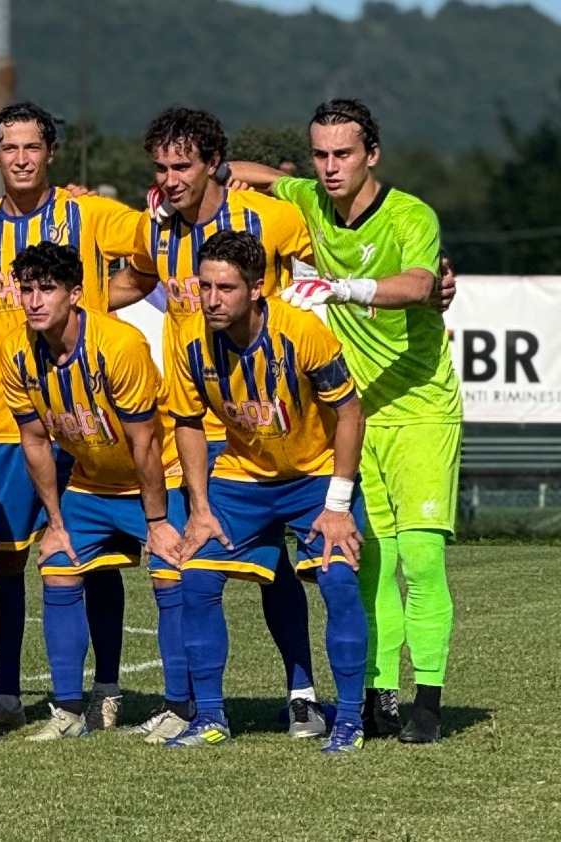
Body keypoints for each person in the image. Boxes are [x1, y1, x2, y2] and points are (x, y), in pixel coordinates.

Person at [232, 99, 462, 743]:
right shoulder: (310, 196)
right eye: (322, 154)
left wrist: (342, 289)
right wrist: (196, 177)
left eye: (344, 154)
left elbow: (420, 284)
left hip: (421, 408)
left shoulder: (411, 213)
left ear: (372, 156)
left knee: (419, 560)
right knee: (368, 560)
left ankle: (429, 704)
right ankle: (381, 695)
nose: (330, 167)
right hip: (357, 415)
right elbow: (256, 177)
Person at [108, 106, 329, 738]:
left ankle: (303, 692)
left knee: (277, 569)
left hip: (275, 421)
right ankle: (192, 706)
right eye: (161, 168)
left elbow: (331, 256)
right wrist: (64, 298)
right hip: (197, 420)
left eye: (183, 166)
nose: (171, 178)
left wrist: (434, 276)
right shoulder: (157, 233)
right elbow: (134, 281)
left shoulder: (270, 219)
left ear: (213, 164)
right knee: (193, 563)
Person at [0, 101, 142, 731]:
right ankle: (2, 690)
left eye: (32, 147)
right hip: (5, 425)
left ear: (50, 152)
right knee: (3, 560)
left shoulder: (88, 212)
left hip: (80, 420)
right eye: (9, 148)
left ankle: (105, 685)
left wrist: (106, 301)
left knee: (92, 555)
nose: (21, 159)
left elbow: (155, 250)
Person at [166, 230, 369, 754]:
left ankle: (348, 720)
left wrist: (338, 506)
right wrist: (201, 509)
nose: (211, 299)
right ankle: (209, 717)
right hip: (242, 478)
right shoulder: (190, 341)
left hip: (316, 478)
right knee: (195, 578)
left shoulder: (303, 333)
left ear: (257, 289)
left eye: (226, 288)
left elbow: (350, 413)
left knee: (338, 580)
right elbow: (187, 423)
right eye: (204, 285)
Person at [0, 242, 182, 740]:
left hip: (160, 477)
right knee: (57, 565)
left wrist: (158, 523)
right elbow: (35, 443)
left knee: (172, 574)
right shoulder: (16, 351)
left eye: (48, 289)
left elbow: (145, 442)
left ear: (76, 293)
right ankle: (69, 713)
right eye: (27, 289)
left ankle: (183, 709)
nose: (34, 300)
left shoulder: (119, 346)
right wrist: (56, 524)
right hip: (91, 483)